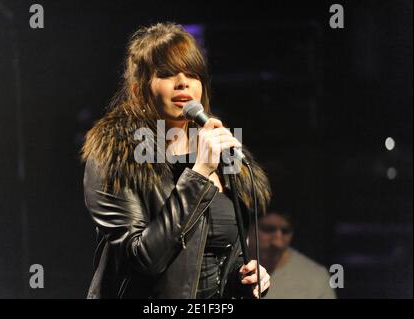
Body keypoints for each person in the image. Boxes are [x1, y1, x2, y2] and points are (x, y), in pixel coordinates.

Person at [81, 22, 272, 299]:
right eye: (168, 73)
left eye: (193, 74)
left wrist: (244, 279)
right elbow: (144, 259)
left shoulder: (219, 154)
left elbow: (217, 255)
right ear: (138, 90)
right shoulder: (116, 158)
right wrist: (199, 173)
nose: (183, 81)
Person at [253, 210, 336, 299]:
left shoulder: (317, 277)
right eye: (268, 229)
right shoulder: (237, 268)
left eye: (285, 231)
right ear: (249, 227)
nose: (277, 243)